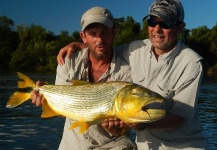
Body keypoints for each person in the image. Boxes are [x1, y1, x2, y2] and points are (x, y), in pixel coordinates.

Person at [57, 0, 208, 149]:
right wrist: (79, 45)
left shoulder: (192, 64)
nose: (157, 29)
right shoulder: (136, 48)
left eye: (165, 23)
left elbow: (178, 119)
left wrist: (140, 124)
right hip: (145, 146)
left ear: (180, 27)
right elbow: (102, 47)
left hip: (185, 145)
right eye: (152, 22)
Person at [31, 6, 137, 150]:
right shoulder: (67, 61)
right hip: (73, 144)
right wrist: (46, 101)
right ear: (83, 37)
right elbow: (62, 112)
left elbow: (124, 128)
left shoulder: (127, 71)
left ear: (114, 33)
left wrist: (116, 130)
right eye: (93, 34)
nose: (99, 39)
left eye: (105, 33)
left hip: (113, 144)